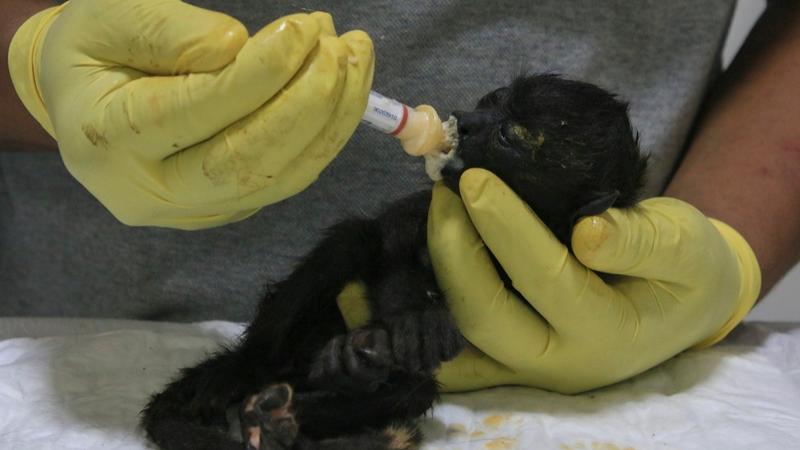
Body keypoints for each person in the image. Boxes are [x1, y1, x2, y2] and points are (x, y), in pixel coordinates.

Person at [1, 0, 797, 394]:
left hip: (623, 344)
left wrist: (723, 252)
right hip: (91, 338)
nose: (474, 122)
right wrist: (35, 67)